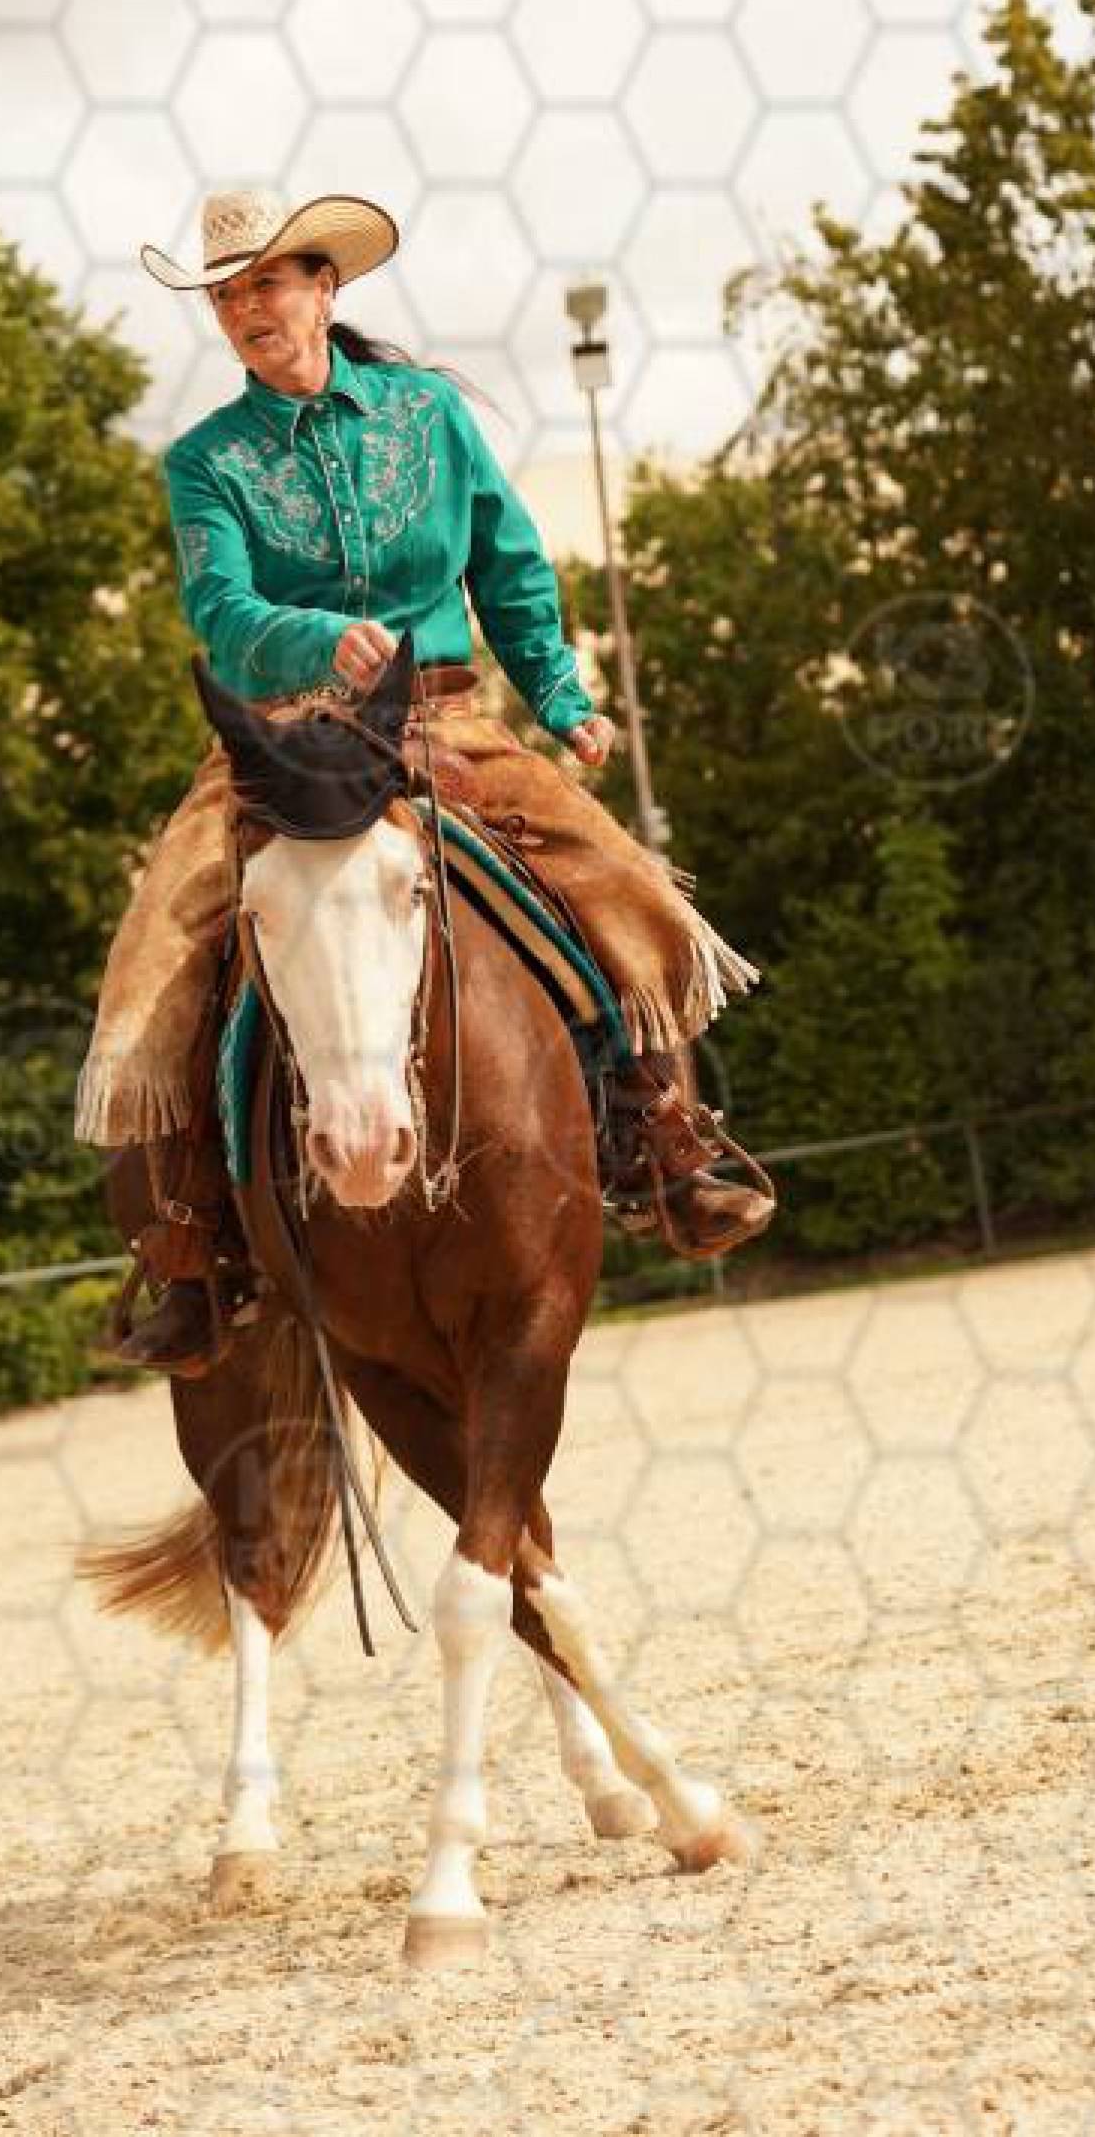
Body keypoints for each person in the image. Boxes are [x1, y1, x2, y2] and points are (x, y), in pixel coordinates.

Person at [76, 185, 775, 1376]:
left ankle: (666, 1142)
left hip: (445, 723)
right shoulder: (204, 463)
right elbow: (220, 609)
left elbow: (508, 560)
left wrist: (560, 697)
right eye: (226, 295)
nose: (246, 308)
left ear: (323, 288)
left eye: (266, 283)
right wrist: (314, 642)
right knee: (160, 954)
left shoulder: (429, 415)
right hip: (278, 742)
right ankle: (191, 1241)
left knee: (625, 886)